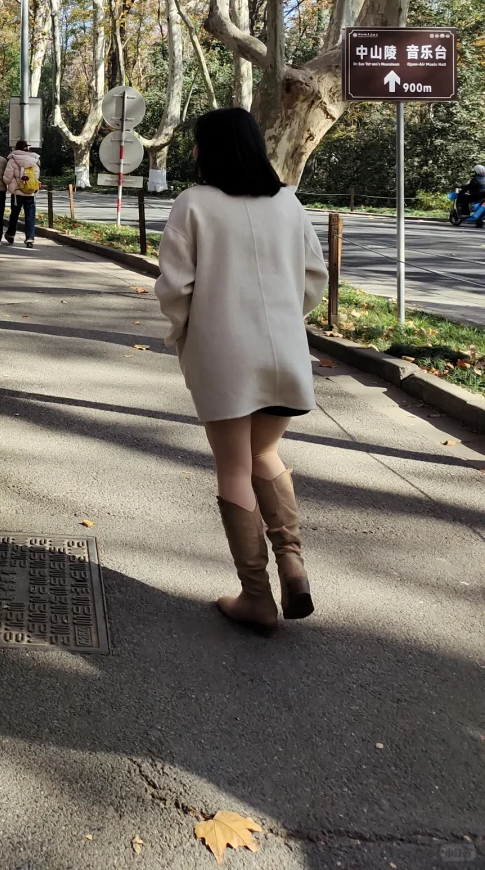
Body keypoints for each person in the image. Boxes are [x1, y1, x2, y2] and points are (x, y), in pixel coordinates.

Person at [154, 107, 327, 633]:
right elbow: (313, 278)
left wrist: (184, 334)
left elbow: (174, 289)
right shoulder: (289, 204)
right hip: (286, 356)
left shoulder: (194, 204)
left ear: (209, 151)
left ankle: (257, 596)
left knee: (233, 465)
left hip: (224, 356)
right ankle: (293, 567)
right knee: (265, 453)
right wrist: (283, 321)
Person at [4, 139, 40, 247]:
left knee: (14, 214)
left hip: (17, 193)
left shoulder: (12, 159)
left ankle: (10, 234)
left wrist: (9, 182)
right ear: (27, 148)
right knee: (30, 215)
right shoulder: (34, 159)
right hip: (30, 192)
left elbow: (7, 177)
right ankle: (30, 237)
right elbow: (37, 175)